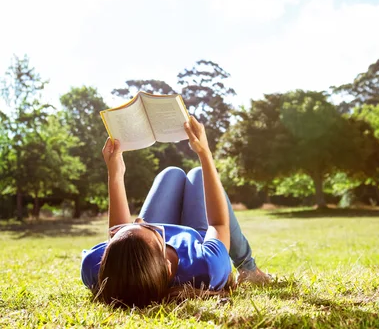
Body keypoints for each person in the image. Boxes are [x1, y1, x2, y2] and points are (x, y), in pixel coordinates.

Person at [81, 116, 272, 308]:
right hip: (196, 237)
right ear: (167, 264)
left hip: (147, 253)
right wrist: (205, 153)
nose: (138, 220)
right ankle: (249, 270)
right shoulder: (207, 267)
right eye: (150, 228)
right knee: (198, 174)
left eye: (124, 232)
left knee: (171, 173)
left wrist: (115, 172)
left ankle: (138, 236)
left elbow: (121, 231)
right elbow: (218, 223)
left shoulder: (98, 269)